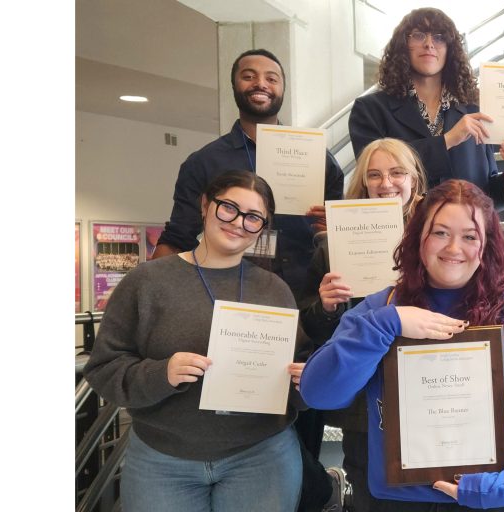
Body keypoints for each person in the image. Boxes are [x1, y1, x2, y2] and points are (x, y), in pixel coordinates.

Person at [299, 180, 504, 510]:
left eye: (470, 236)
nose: (454, 248)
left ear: (487, 245)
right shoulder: (381, 309)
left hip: (493, 495)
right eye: (440, 233)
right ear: (418, 237)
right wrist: (387, 325)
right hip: (399, 501)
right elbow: (319, 392)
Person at [147, 48, 346, 510]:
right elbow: (176, 236)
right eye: (249, 75)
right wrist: (153, 295)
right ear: (235, 85)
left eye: (271, 77)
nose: (261, 83)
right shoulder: (204, 162)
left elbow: (344, 232)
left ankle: (312, 491)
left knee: (303, 422)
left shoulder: (318, 159)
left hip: (304, 310)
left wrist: (331, 225)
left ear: (283, 87)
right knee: (234, 422)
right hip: (225, 311)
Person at [84, 170, 304, 511]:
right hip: (162, 460)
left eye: (253, 217)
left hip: (261, 456)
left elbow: (296, 369)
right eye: (229, 208)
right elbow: (103, 369)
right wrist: (162, 373)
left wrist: (303, 379)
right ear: (205, 205)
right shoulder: (146, 281)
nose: (238, 223)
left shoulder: (275, 289)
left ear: (262, 227)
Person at [295, 138, 430, 512]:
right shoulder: (333, 245)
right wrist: (326, 307)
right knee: (368, 490)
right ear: (363, 182)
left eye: (397, 173)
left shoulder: (437, 239)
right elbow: (311, 326)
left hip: (424, 385)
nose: (386, 183)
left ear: (414, 179)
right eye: (374, 175)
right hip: (361, 399)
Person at [349, 7, 504, 209]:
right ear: (403, 45)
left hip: (464, 226)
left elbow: (485, 197)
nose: (429, 44)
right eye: (419, 35)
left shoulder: (474, 111)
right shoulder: (370, 110)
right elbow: (374, 176)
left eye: (439, 37)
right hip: (404, 227)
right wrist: (448, 139)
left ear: (450, 49)